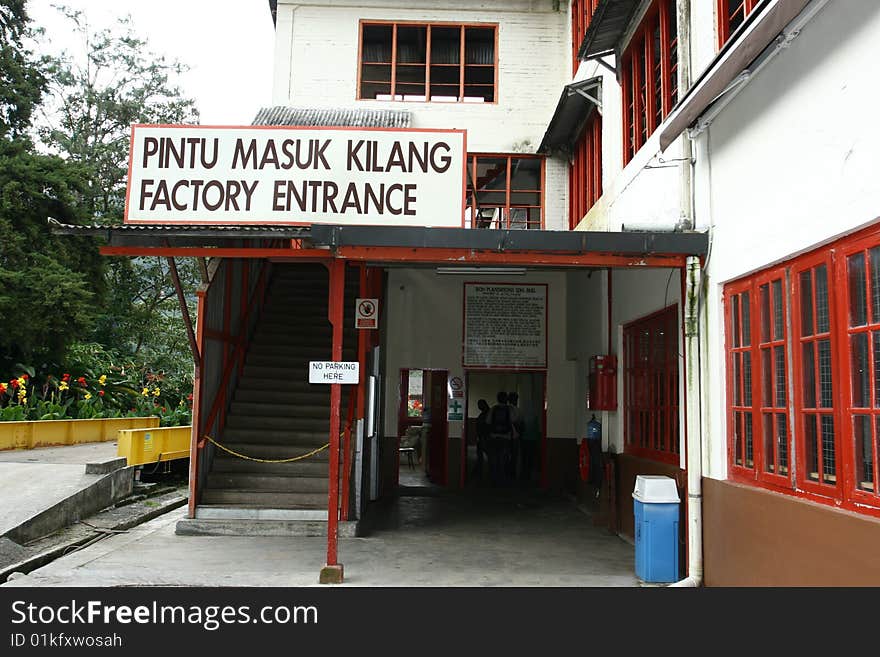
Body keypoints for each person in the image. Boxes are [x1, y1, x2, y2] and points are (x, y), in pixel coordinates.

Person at [487, 391, 514, 485]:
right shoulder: (510, 409)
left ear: (497, 399)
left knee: (494, 458)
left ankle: (493, 478)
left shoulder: (493, 409)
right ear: (506, 399)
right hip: (505, 437)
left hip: (494, 437)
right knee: (503, 458)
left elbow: (488, 422)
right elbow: (513, 421)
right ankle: (502, 479)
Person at [507, 391, 524, 480]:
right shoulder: (518, 410)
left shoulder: (505, 409)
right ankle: (512, 473)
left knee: (504, 455)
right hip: (515, 437)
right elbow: (520, 424)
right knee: (514, 456)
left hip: (504, 436)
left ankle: (503, 473)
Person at [473, 399, 491, 481]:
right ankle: (479, 471)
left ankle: (479, 472)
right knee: (484, 456)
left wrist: (481, 437)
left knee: (483, 456)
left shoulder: (485, 415)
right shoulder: (489, 413)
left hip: (484, 438)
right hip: (485, 438)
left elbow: (483, 427)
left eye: (479, 405)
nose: (478, 407)